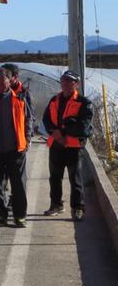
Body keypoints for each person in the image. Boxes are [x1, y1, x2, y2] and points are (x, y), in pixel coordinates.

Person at [42, 70, 94, 221]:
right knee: (55, 177)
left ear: (76, 84)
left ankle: (78, 208)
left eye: (69, 81)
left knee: (75, 178)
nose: (65, 83)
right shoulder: (54, 100)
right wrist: (56, 133)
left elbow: (83, 127)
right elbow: (46, 120)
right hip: (56, 145)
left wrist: (63, 131)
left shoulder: (84, 103)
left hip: (74, 147)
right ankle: (56, 204)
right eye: (63, 80)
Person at [0, 66, 34, 229]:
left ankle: (20, 216)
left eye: (2, 79)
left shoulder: (19, 97)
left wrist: (27, 138)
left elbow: (29, 119)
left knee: (18, 184)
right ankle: (0, 215)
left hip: (16, 148)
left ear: (9, 80)